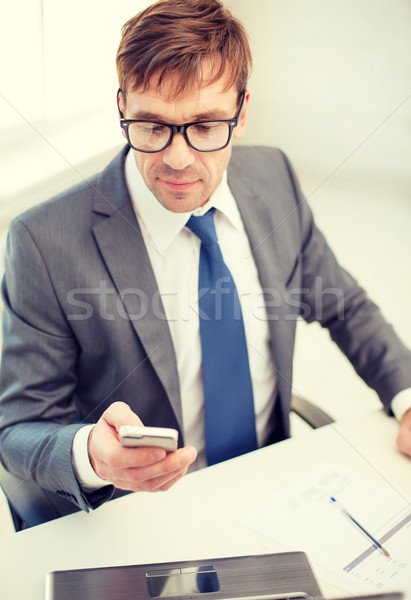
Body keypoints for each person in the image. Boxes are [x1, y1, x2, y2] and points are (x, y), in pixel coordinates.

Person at [0, 0, 410, 517]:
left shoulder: (274, 178)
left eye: (207, 125)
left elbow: (345, 306)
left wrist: (407, 394)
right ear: (121, 104)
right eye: (151, 125)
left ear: (242, 113)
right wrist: (90, 456)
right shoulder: (43, 240)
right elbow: (20, 425)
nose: (177, 158)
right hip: (141, 516)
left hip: (275, 490)